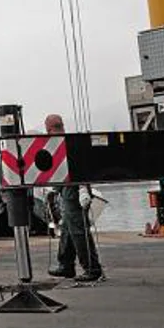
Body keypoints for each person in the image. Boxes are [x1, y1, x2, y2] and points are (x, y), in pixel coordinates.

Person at [44, 114, 103, 281]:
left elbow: (61, 170)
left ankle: (92, 268)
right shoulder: (70, 142)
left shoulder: (56, 144)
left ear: (48, 128)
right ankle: (66, 264)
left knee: (78, 230)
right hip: (73, 188)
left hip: (73, 189)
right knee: (69, 228)